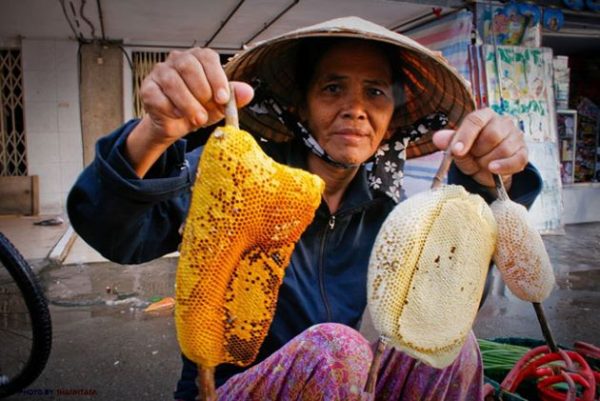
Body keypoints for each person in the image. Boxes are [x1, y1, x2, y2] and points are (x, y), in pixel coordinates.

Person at [68, 17, 542, 401]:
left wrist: (486, 184)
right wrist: (155, 131)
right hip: (229, 389)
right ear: (300, 106)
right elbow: (114, 233)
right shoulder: (236, 183)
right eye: (333, 88)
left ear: (391, 119)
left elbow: (445, 305)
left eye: (374, 92)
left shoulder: (387, 218)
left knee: (451, 350)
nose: (355, 108)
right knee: (336, 348)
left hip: (340, 390)